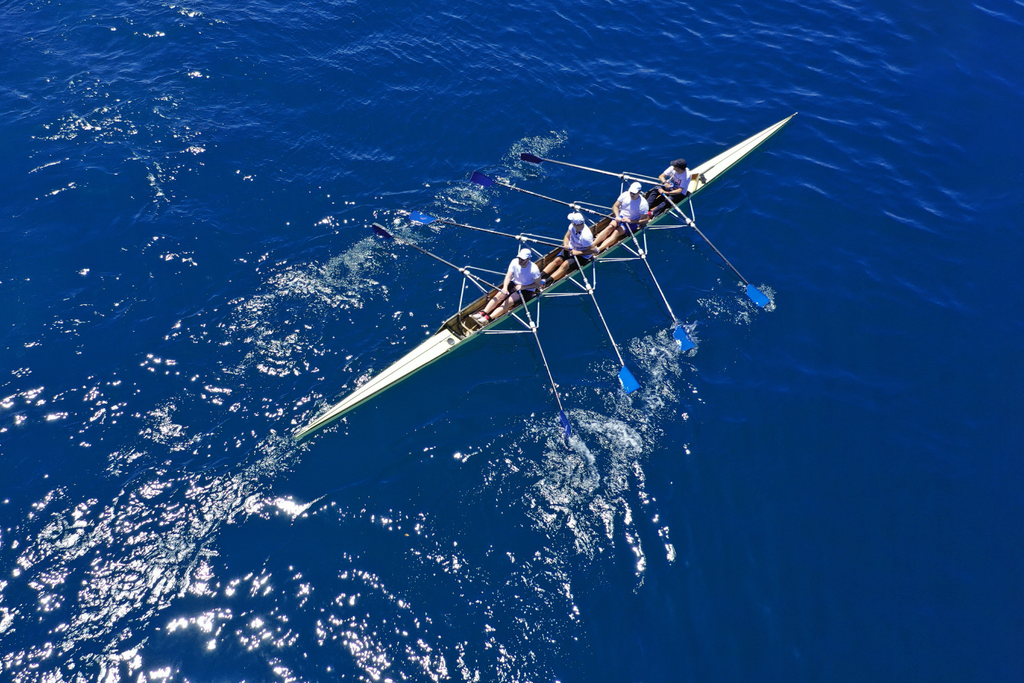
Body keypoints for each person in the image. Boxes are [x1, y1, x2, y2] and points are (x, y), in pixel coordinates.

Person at [472, 247, 543, 324]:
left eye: (522, 259)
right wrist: (505, 288)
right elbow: (508, 276)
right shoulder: (514, 262)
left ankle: (488, 318)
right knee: (499, 295)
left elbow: (538, 284)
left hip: (527, 290)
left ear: (528, 259)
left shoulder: (534, 270)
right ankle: (483, 312)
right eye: (519, 258)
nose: (520, 260)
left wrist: (523, 287)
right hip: (514, 283)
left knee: (507, 302)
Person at [594, 181, 650, 252]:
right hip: (620, 217)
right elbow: (615, 206)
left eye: (634, 193)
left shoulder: (643, 204)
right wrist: (617, 216)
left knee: (616, 233)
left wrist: (630, 221)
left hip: (631, 223)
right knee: (610, 227)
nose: (631, 194)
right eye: (631, 192)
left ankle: (598, 249)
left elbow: (645, 220)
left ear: (639, 192)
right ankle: (592, 245)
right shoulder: (625, 195)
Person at [544, 212, 597, 282]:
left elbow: (592, 250)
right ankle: (539, 277)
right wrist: (566, 245)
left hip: (582, 256)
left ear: (575, 224)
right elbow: (566, 237)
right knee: (557, 260)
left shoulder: (585, 236)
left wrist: (577, 253)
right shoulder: (572, 226)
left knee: (565, 264)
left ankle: (545, 282)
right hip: (570, 248)